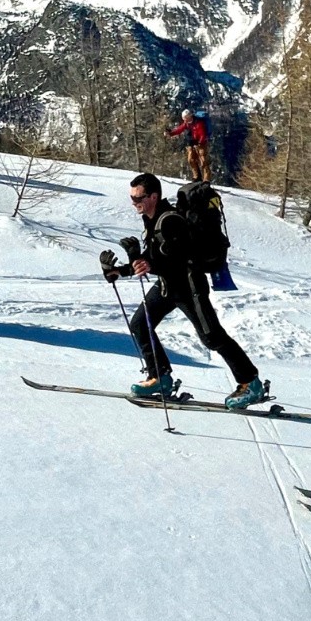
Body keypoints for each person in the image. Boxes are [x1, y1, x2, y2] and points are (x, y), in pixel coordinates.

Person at [102, 172, 264, 409]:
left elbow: (175, 259)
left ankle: (250, 382)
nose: (134, 203)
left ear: (154, 196)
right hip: (168, 287)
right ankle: (160, 377)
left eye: (139, 198)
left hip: (188, 287)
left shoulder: (170, 221)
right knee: (140, 324)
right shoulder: (152, 220)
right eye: (132, 198)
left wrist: (141, 260)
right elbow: (153, 260)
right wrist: (118, 271)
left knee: (212, 337)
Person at [167, 108, 210, 182]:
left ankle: (206, 180)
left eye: (185, 118)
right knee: (191, 160)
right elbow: (179, 129)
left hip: (201, 145)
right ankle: (196, 177)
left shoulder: (199, 123)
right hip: (192, 143)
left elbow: (203, 134)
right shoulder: (187, 123)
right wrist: (171, 133)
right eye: (183, 118)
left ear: (189, 117)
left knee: (204, 162)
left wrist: (199, 143)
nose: (184, 120)